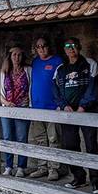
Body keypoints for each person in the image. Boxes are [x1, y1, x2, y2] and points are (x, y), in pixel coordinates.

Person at [53, 37, 98, 194]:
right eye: (68, 46)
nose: (71, 49)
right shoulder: (60, 69)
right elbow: (55, 90)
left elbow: (94, 87)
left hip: (86, 111)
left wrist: (83, 105)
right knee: (70, 145)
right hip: (68, 112)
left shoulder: (90, 64)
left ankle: (96, 182)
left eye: (74, 46)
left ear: (79, 47)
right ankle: (79, 177)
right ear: (64, 49)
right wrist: (64, 105)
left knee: (91, 146)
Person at [28, 37, 66, 181]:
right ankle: (42, 167)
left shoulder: (57, 61)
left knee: (54, 138)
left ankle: (53, 168)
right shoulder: (35, 62)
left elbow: (61, 84)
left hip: (52, 108)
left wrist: (60, 105)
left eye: (44, 46)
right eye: (38, 46)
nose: (41, 49)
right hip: (37, 107)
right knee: (40, 139)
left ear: (48, 46)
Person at [0, 46, 32, 177]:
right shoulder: (4, 72)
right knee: (7, 137)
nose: (17, 58)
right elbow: (1, 93)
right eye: (14, 55)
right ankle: (8, 166)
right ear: (10, 56)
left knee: (22, 137)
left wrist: (28, 103)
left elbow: (31, 89)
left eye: (19, 55)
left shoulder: (28, 70)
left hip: (23, 108)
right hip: (7, 108)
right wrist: (7, 103)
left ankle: (21, 167)